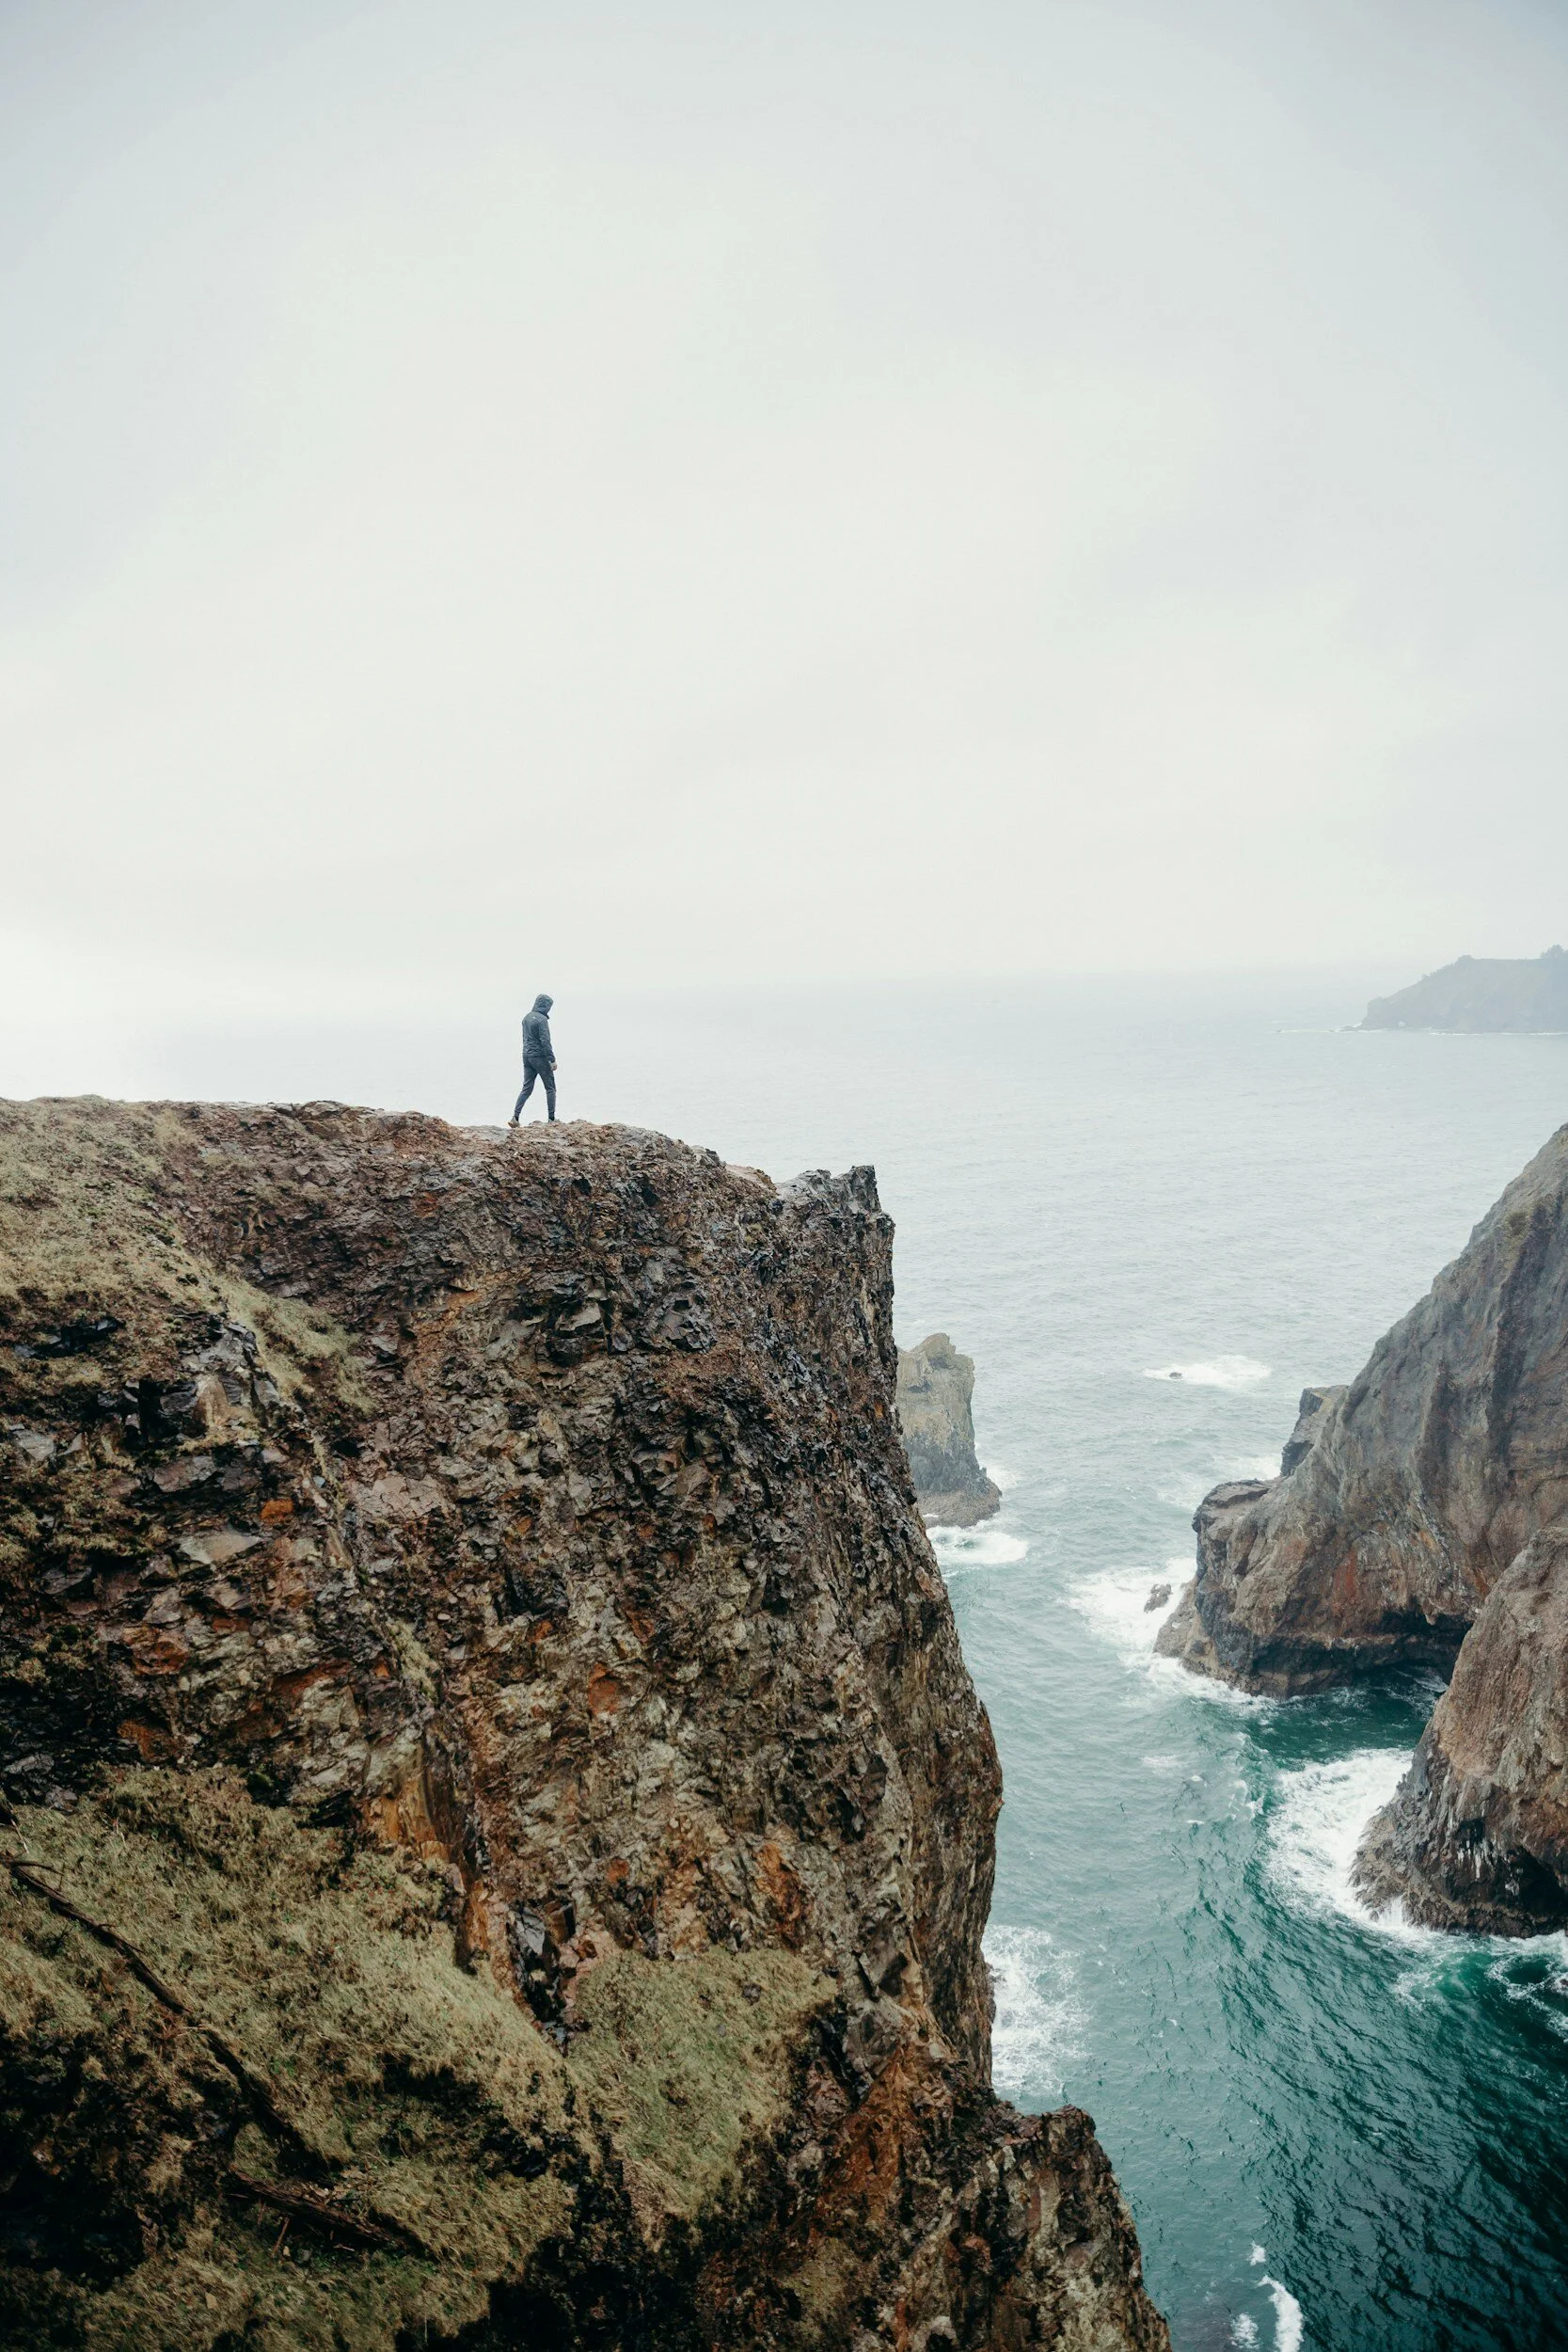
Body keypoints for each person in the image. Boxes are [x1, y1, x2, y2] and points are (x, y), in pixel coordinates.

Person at [509, 993, 557, 1124]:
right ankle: (552, 1119)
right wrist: (552, 1060)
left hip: (526, 1056)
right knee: (550, 1087)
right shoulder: (542, 1020)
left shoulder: (526, 1018)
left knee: (527, 1088)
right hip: (540, 1057)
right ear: (546, 1006)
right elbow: (545, 1041)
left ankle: (515, 1118)